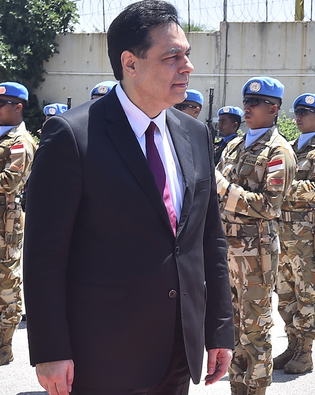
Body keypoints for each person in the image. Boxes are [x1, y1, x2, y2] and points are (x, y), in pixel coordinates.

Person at [23, 2, 235, 394]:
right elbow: (44, 255)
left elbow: (209, 240)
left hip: (178, 350)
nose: (187, 66)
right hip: (103, 354)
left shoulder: (195, 134)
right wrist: (50, 349)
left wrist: (219, 328)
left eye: (187, 54)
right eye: (172, 56)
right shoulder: (72, 136)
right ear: (130, 63)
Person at [216, 76, 296, 395]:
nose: (247, 108)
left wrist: (226, 190)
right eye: (246, 101)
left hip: (255, 254)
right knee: (231, 330)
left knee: (256, 332)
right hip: (226, 249)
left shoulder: (280, 151)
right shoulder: (235, 145)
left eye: (255, 103)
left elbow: (269, 206)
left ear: (273, 109)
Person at [274, 93, 315, 374]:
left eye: (305, 112)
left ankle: (306, 351)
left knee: (307, 294)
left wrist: (276, 190)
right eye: (297, 111)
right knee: (285, 293)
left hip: (307, 236)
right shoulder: (288, 147)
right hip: (282, 232)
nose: (298, 116)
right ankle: (291, 344)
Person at [0, 81, 37, 366]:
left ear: (18, 107)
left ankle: (3, 349)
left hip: (6, 226)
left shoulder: (20, 141)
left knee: (6, 286)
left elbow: (9, 183)